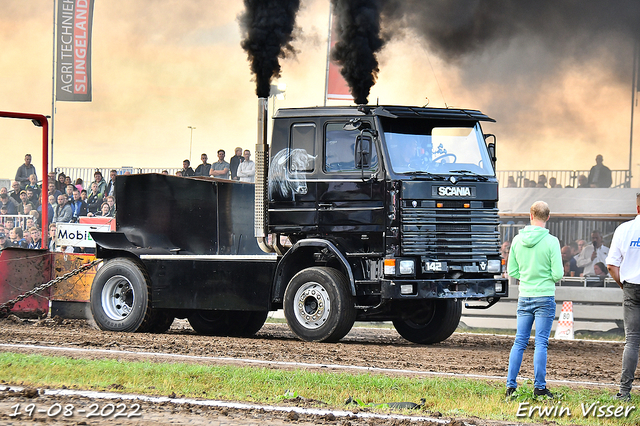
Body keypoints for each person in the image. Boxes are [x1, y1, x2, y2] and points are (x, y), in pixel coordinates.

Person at [505, 201, 562, 399]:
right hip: (544, 296)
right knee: (541, 343)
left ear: (530, 215)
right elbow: (558, 274)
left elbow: (511, 271)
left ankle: (510, 386)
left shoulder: (517, 240)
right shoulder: (552, 241)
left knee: (519, 341)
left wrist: (527, 275)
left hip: (525, 295)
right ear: (548, 217)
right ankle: (539, 387)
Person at [606, 193, 640, 401]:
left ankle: (624, 392)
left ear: (637, 208)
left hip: (632, 289)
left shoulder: (624, 229)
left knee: (633, 341)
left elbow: (611, 265)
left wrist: (623, 285)